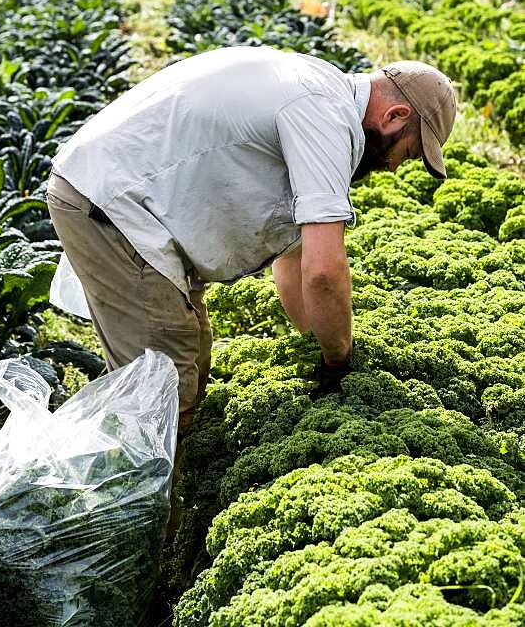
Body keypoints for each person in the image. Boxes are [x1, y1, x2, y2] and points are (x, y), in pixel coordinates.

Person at [46, 47, 456, 430]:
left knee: (185, 357)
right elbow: (324, 272)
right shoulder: (324, 116)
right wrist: (339, 360)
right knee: (164, 392)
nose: (394, 167)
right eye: (409, 153)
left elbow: (294, 260)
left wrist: (314, 342)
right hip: (114, 204)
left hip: (118, 194)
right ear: (395, 116)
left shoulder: (318, 90)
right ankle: (126, 501)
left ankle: (130, 475)